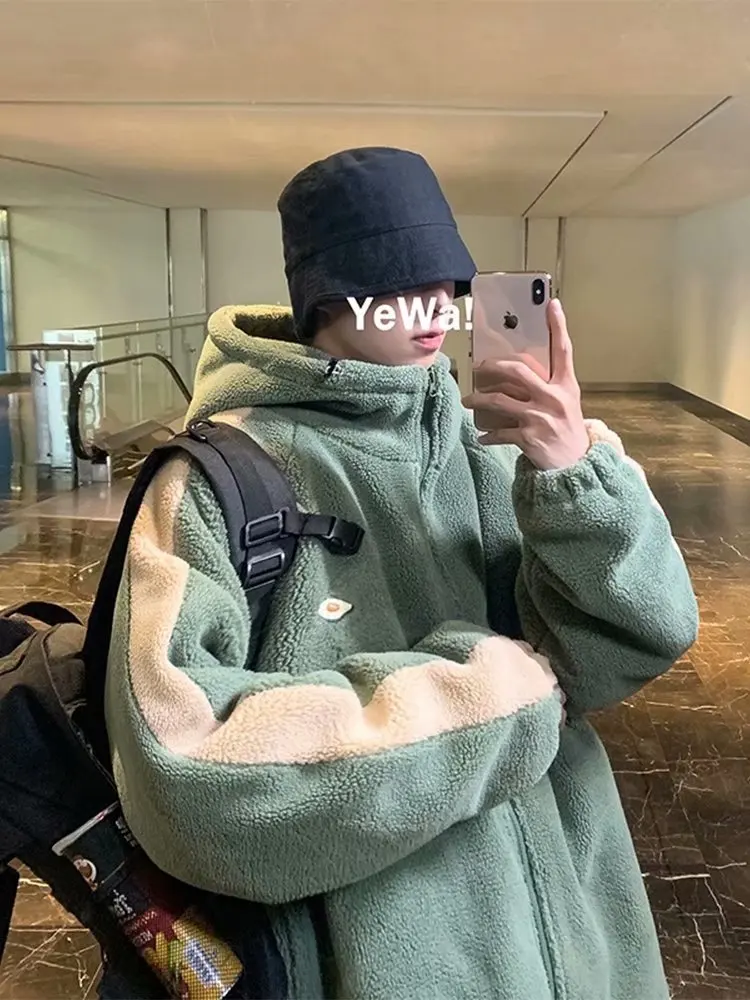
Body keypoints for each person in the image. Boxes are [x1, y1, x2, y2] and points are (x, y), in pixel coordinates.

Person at [106, 146, 699, 1000]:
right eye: (394, 287)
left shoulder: (492, 448)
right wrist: (493, 695)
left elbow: (632, 642)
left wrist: (573, 474)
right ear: (327, 298)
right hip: (386, 960)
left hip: (580, 935)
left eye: (445, 285)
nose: (432, 311)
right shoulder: (216, 480)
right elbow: (187, 776)